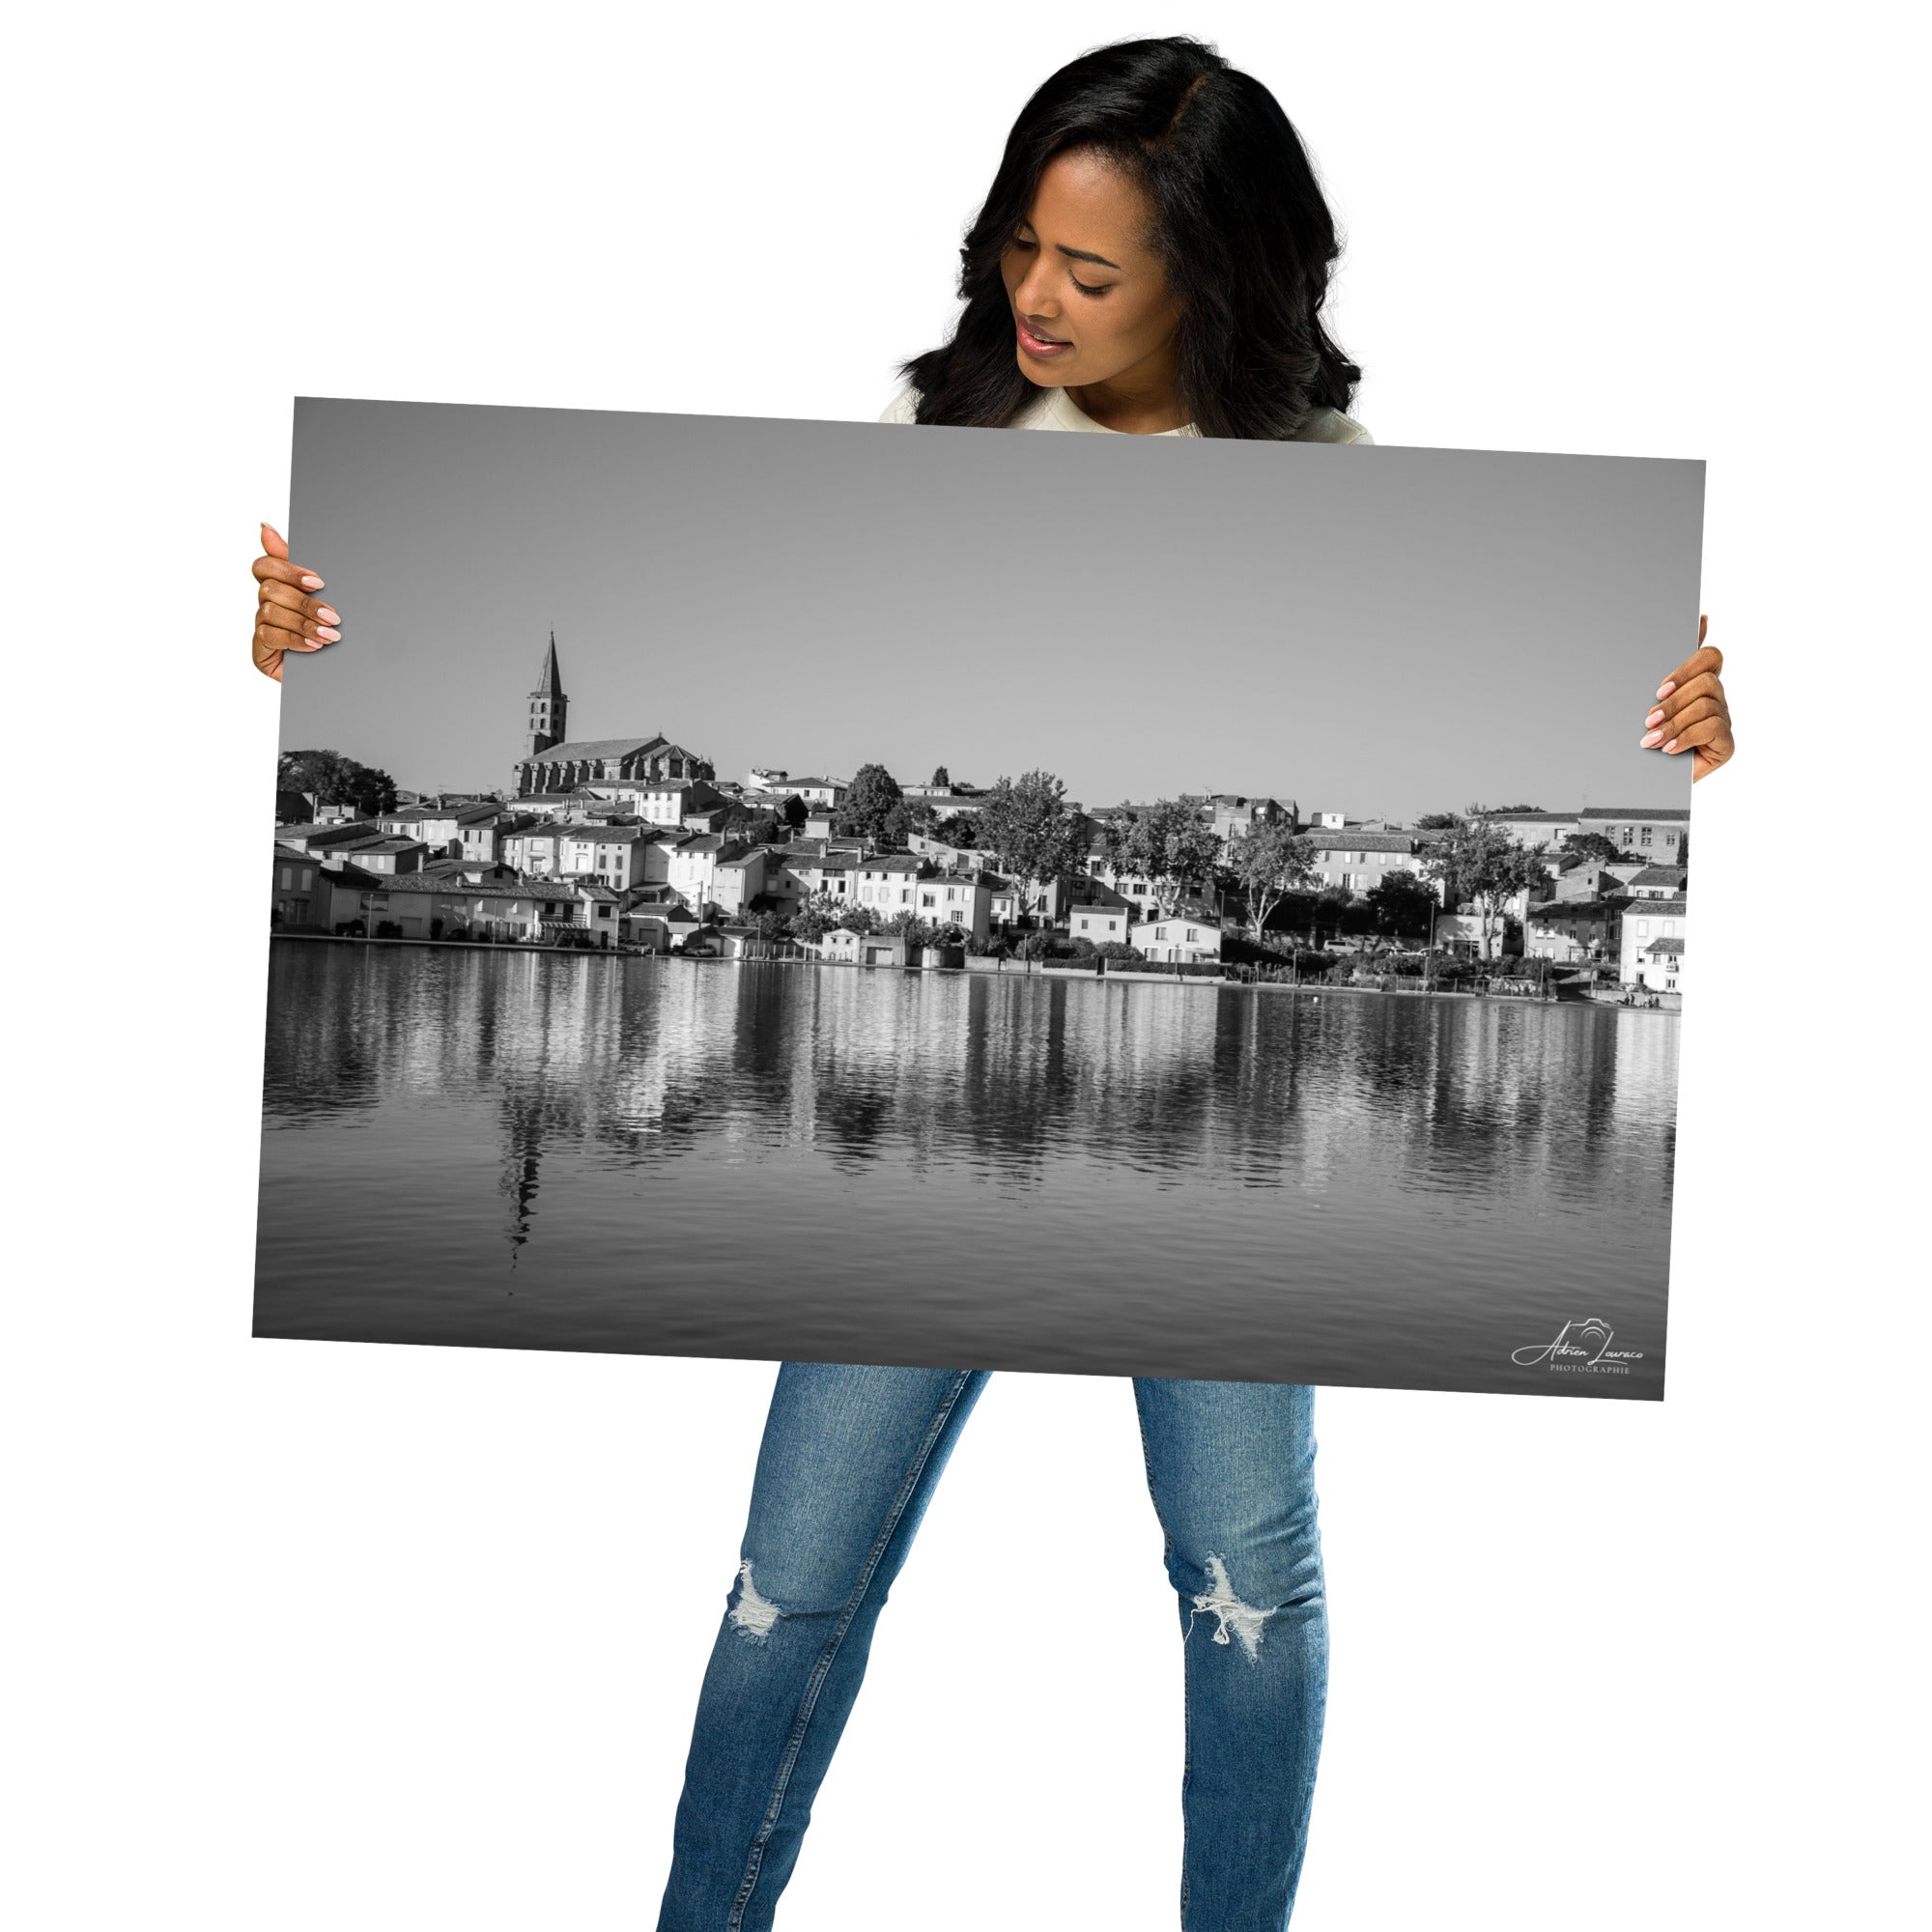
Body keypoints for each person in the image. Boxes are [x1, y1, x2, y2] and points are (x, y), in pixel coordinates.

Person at [246, 37, 1735, 1930]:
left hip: (1203, 1222)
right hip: (924, 1187)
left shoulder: (1342, 484)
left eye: (1091, 272)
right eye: (1021, 245)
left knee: (1244, 1583)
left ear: (1219, 273)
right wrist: (311, 632)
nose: (1035, 296)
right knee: (787, 1580)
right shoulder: (933, 429)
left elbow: (1567, 706)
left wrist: (1693, 733)